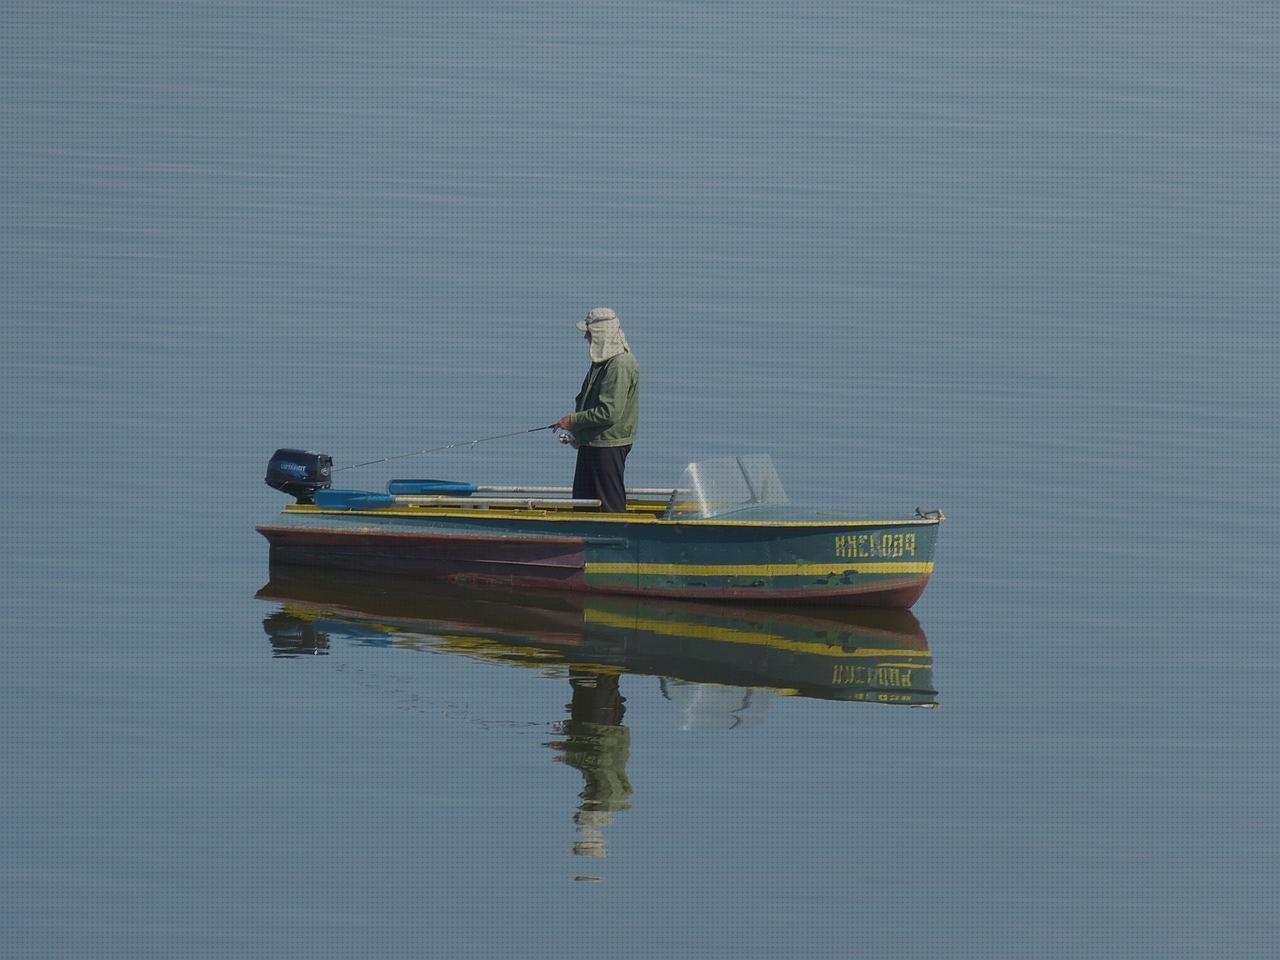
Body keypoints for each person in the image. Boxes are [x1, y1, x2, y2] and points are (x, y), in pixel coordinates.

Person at [556, 307, 639, 513]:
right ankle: (584, 537)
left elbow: (609, 412)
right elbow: (584, 398)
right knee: (582, 501)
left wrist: (573, 421)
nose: (585, 336)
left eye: (589, 332)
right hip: (592, 441)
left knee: (609, 503)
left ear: (601, 333)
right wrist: (579, 432)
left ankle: (617, 539)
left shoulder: (620, 364)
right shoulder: (601, 363)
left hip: (609, 444)